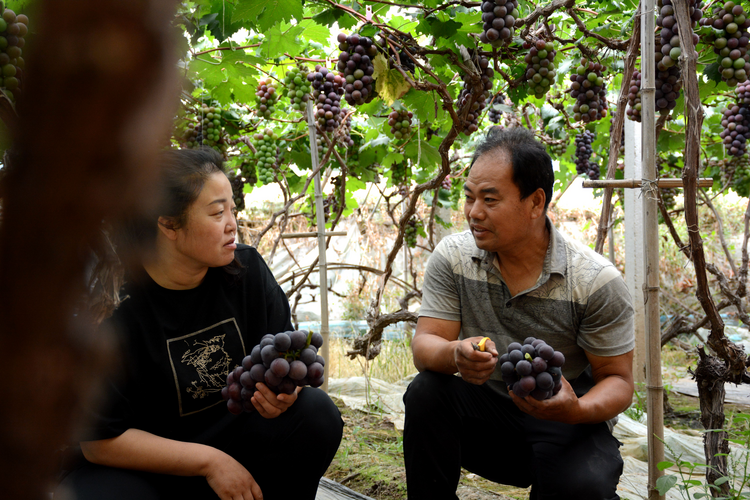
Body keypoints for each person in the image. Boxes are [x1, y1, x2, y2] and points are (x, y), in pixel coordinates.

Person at [55, 147, 343, 500]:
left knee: (316, 414)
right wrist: (210, 462)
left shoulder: (247, 273)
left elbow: (287, 360)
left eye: (233, 210)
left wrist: (284, 394)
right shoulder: (114, 305)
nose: (232, 223)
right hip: (149, 467)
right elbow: (99, 443)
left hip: (237, 443)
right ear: (168, 223)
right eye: (217, 212)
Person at [403, 127, 635, 500]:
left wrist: (574, 410)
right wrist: (454, 353)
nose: (474, 213)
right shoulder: (454, 258)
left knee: (584, 486)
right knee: (427, 391)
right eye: (469, 198)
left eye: (490, 200)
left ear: (535, 202)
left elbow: (619, 382)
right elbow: (426, 344)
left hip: (566, 421)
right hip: (487, 420)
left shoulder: (595, 282)